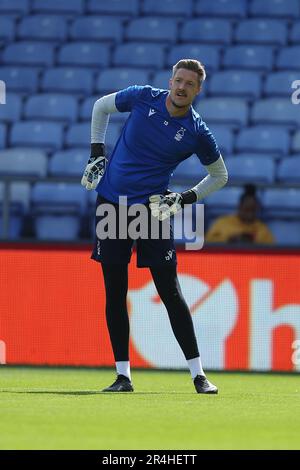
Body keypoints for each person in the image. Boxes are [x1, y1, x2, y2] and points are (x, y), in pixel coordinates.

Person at [81, 59, 228, 394]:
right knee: (115, 292)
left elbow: (221, 175)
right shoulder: (143, 97)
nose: (181, 87)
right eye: (178, 80)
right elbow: (101, 107)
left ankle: (198, 375)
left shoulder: (197, 131)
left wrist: (186, 198)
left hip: (153, 212)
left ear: (198, 90)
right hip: (112, 206)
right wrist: (95, 154)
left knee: (171, 292)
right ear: (170, 80)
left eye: (189, 84)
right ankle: (123, 376)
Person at [206, 184, 274, 244]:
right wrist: (229, 240)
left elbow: (271, 251)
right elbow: (208, 241)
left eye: (253, 210)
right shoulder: (222, 223)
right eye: (247, 210)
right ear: (240, 207)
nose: (250, 214)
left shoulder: (263, 230)